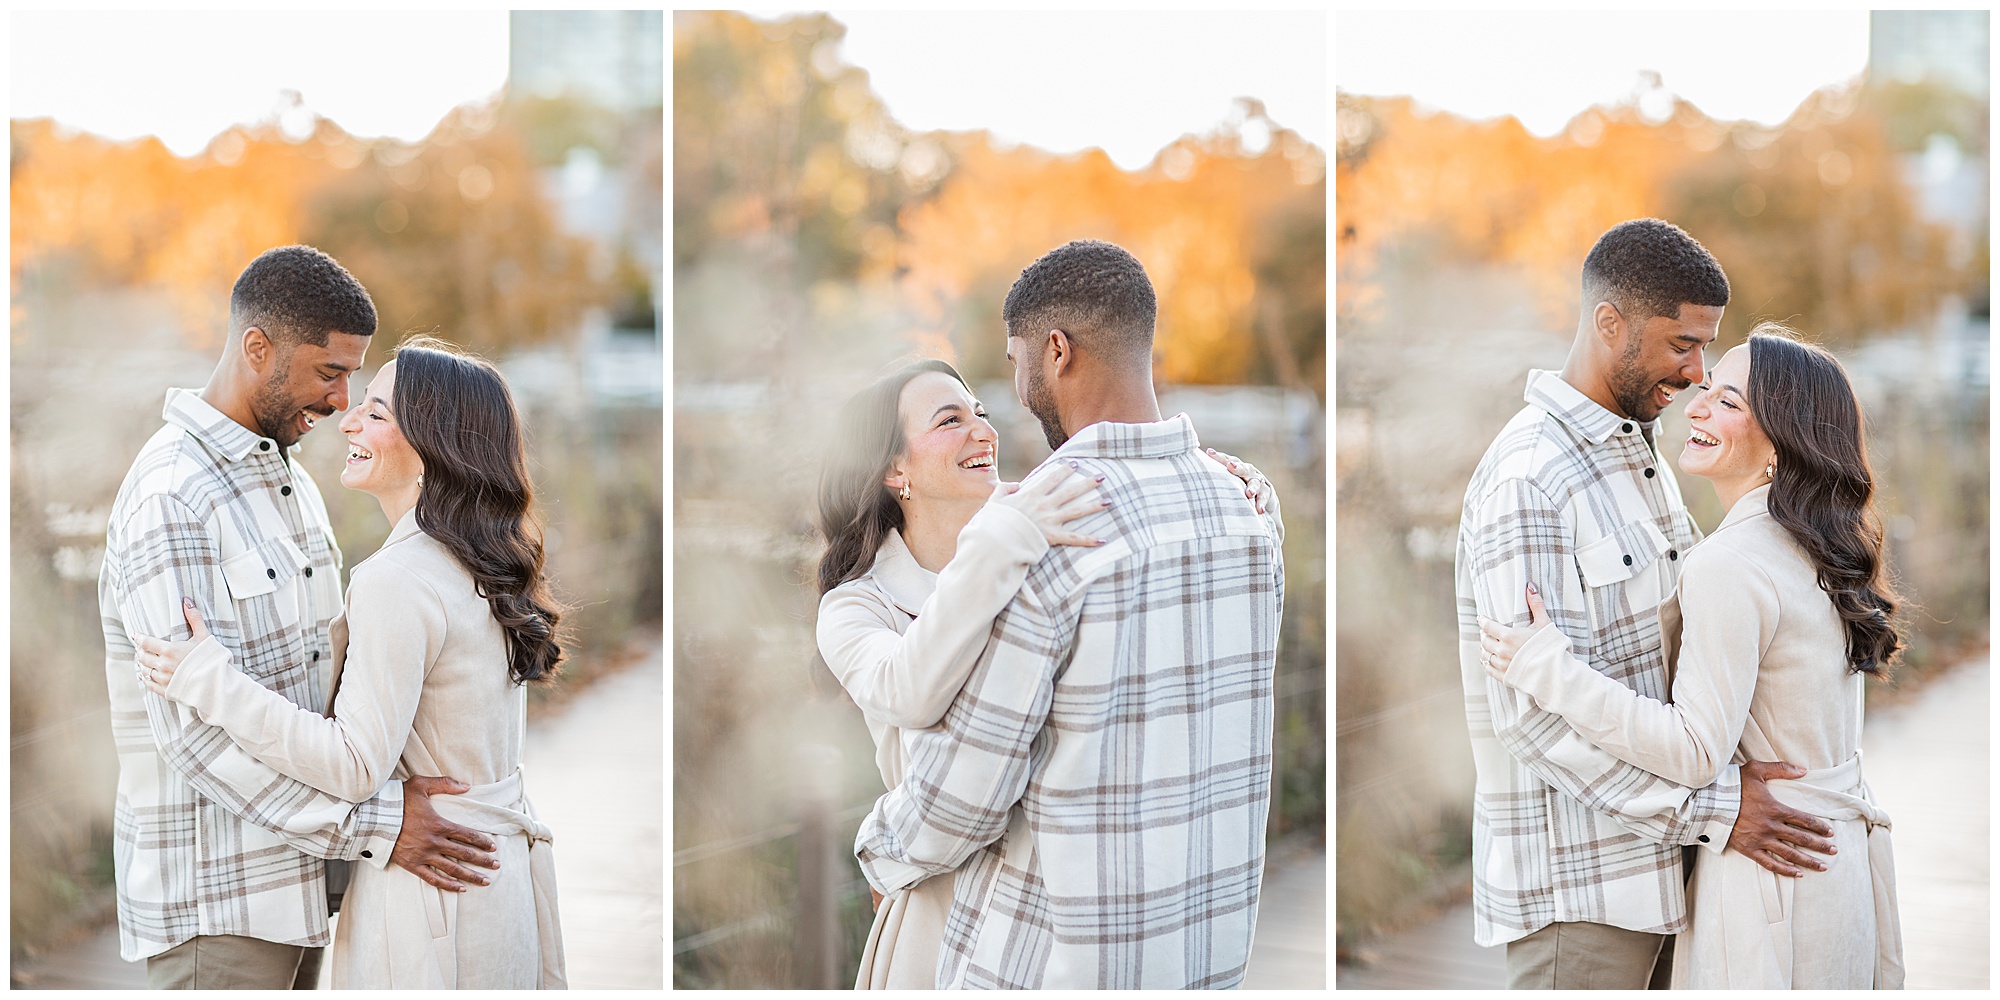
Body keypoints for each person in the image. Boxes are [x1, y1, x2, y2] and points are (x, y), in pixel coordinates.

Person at [852, 239, 1285, 989]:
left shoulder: (1045, 528)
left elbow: (962, 793)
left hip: (1063, 964)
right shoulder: (1247, 514)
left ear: (1056, 351)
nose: (1015, 389)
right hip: (1203, 956)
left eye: (1016, 361)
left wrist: (880, 852)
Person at [99, 247, 499, 990]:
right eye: (329, 372)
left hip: (306, 889)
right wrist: (379, 826)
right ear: (259, 349)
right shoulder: (172, 497)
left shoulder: (285, 478)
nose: (343, 401)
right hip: (220, 908)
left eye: (353, 376)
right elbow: (194, 739)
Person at [1454, 219, 1838, 989]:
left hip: (1672, 878)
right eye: (1682, 345)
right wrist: (1719, 809)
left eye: (1706, 347)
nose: (1698, 373)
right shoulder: (1530, 480)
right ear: (1610, 324)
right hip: (1584, 896)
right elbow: (1532, 719)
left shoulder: (1640, 456)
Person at [134, 338, 567, 989]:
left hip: (432, 903)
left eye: (377, 412)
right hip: (494, 885)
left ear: (433, 446)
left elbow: (354, 762)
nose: (350, 421)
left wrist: (211, 682)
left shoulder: (400, 578)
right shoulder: (480, 561)